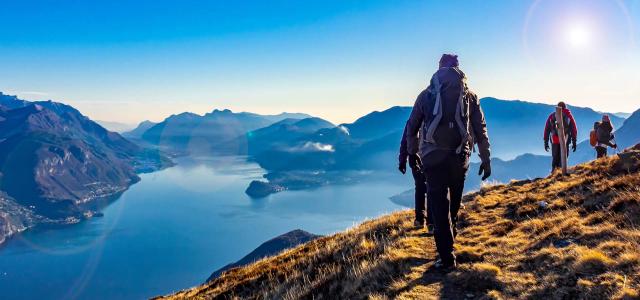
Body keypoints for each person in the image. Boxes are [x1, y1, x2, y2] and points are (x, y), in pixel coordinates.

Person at [405, 54, 491, 271]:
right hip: (460, 157)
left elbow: (412, 126)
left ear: (439, 68)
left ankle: (446, 257)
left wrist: (413, 153)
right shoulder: (470, 96)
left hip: (433, 158)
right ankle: (450, 241)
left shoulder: (426, 95)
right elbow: (480, 129)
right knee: (453, 205)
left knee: (439, 207)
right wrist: (486, 158)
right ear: (458, 68)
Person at [398, 121, 434, 235]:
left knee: (420, 187)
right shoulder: (434, 116)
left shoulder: (413, 119)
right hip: (432, 158)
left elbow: (405, 141)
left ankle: (420, 219)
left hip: (416, 159)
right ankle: (431, 222)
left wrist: (402, 160)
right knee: (431, 188)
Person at [543, 102, 578, 171]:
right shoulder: (569, 116)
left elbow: (547, 129)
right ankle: (561, 172)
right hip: (565, 139)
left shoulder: (552, 116)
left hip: (555, 139)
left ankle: (554, 172)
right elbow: (574, 129)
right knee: (563, 156)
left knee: (555, 157)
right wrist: (574, 141)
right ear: (565, 107)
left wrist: (545, 142)